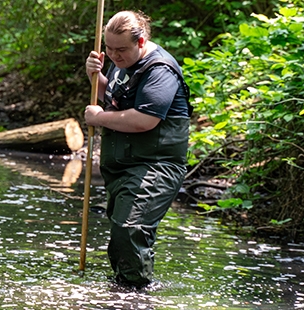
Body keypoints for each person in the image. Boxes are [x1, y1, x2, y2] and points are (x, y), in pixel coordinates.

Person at [83, 10, 190, 288]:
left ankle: (136, 297)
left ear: (141, 42)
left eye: (121, 50)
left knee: (130, 229)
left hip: (156, 165)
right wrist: (96, 78)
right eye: (109, 48)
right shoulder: (121, 62)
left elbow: (144, 119)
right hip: (123, 167)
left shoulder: (159, 70)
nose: (114, 56)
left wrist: (97, 118)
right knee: (120, 237)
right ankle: (121, 292)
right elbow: (116, 99)